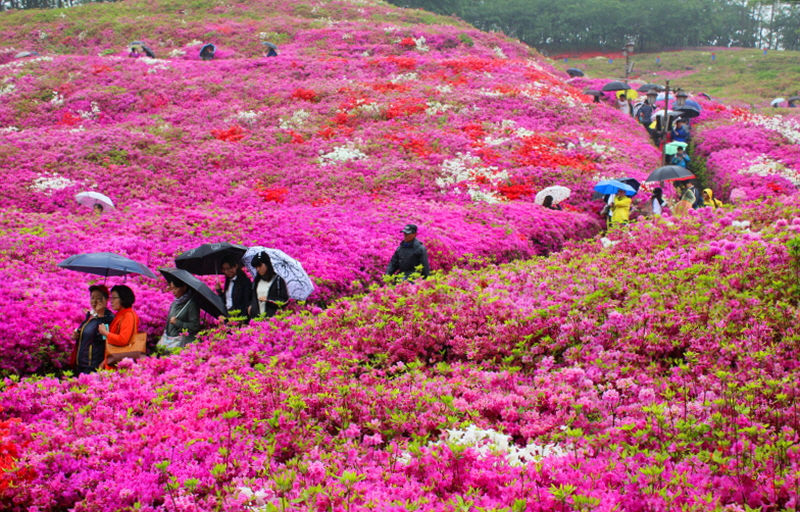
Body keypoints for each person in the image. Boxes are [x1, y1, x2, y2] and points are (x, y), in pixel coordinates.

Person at [70, 285, 115, 374]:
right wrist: (77, 335)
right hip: (81, 363)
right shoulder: (90, 315)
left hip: (93, 366)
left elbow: (103, 337)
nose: (94, 301)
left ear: (106, 300)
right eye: (92, 298)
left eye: (98, 298)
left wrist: (101, 315)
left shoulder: (109, 317)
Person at [98, 285, 140, 365]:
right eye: (111, 298)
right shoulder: (120, 315)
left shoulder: (128, 315)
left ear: (123, 299)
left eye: (114, 298)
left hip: (120, 363)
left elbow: (122, 340)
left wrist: (105, 333)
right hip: (113, 359)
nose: (111, 301)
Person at [248, 252, 289, 319]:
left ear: (267, 264)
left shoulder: (278, 280)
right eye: (256, 267)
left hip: (272, 319)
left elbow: (285, 300)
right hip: (257, 319)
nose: (258, 269)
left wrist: (269, 299)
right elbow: (251, 297)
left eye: (260, 266)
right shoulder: (256, 280)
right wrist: (250, 306)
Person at [162, 277, 200, 348]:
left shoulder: (191, 304)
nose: (173, 292)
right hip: (169, 342)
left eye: (175, 288)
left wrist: (178, 323)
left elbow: (195, 326)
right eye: (171, 288)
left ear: (184, 287)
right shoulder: (174, 303)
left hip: (183, 344)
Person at [216, 255, 251, 321]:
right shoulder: (228, 281)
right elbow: (227, 299)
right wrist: (219, 291)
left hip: (239, 316)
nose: (226, 272)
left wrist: (245, 321)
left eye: (228, 268)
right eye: (224, 269)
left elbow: (246, 302)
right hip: (228, 314)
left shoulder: (245, 282)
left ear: (236, 266)